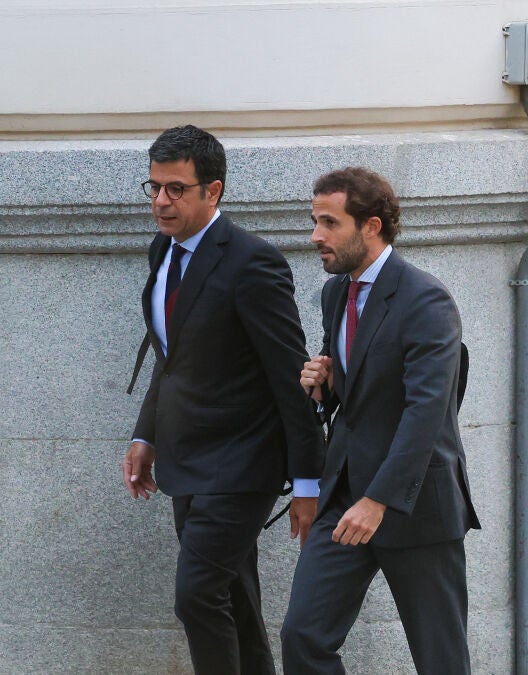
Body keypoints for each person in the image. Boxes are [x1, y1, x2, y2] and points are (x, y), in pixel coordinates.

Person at [122, 125, 324, 674]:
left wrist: (308, 482)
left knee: (197, 596)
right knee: (233, 597)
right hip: (185, 460)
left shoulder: (252, 262)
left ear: (213, 191)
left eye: (176, 189)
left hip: (241, 464)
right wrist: (146, 434)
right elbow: (172, 356)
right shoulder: (163, 251)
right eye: (155, 187)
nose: (161, 201)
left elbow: (291, 376)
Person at [281, 167, 480, 674]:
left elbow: (426, 413)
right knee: (303, 636)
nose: (316, 235)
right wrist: (325, 383)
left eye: (330, 222)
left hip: (413, 503)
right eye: (314, 221)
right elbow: (361, 388)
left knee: (440, 660)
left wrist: (379, 500)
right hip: (345, 494)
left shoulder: (426, 299)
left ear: (371, 226)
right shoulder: (335, 294)